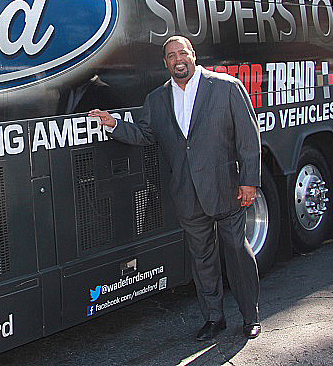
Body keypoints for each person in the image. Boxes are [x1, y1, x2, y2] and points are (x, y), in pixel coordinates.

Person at [88, 35, 262, 341]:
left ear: (193, 55)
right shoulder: (156, 99)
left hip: (226, 189)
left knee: (236, 251)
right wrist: (113, 124)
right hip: (186, 194)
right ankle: (214, 317)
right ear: (165, 63)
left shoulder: (225, 87)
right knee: (202, 260)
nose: (177, 59)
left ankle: (250, 316)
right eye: (171, 55)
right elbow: (145, 135)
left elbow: (248, 136)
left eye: (182, 52)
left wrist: (249, 181)